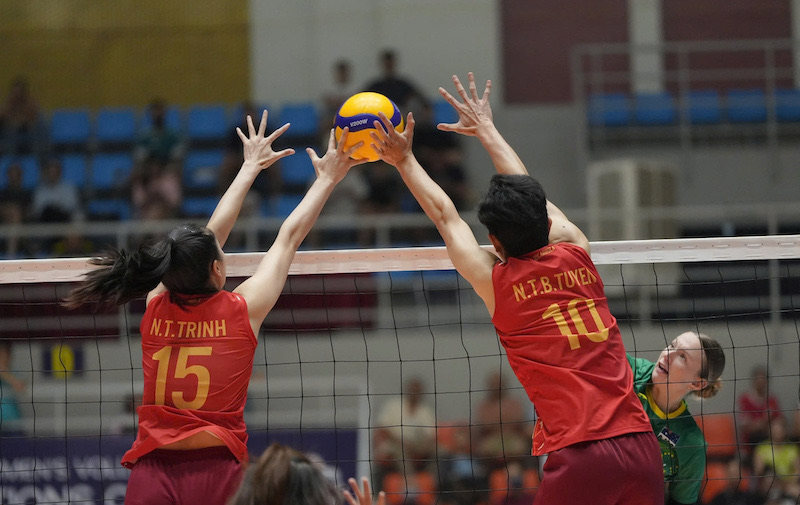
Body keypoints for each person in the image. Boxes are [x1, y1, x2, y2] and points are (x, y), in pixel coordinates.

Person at [369, 72, 663, 504]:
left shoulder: (496, 282)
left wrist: (403, 160)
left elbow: (446, 216)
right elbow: (531, 195)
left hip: (581, 454)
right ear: (547, 224)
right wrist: (488, 130)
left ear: (495, 243)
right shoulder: (577, 250)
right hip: (641, 445)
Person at [64, 111, 366, 505]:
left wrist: (248, 167)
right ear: (218, 269)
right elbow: (287, 238)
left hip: (153, 471)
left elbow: (208, 239)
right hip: (219, 472)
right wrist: (326, 178)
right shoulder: (244, 308)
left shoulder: (155, 305)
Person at [628, 331, 726, 504]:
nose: (667, 354)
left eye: (682, 356)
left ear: (697, 383)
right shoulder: (628, 371)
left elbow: (680, 501)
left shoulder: (691, 443)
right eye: (672, 345)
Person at [373, 377, 437, 478]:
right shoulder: (393, 406)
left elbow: (431, 435)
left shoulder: (426, 411)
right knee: (400, 450)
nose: (415, 393)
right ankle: (409, 480)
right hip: (394, 445)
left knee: (440, 451)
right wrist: (402, 442)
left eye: (418, 390)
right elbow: (382, 429)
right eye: (413, 390)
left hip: (417, 446)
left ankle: (432, 482)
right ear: (407, 390)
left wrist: (417, 445)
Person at [473, 372, 530, 468]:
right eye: (494, 383)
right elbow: (485, 424)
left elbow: (518, 420)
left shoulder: (514, 403)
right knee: (485, 448)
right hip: (492, 439)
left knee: (520, 447)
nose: (496, 386)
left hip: (513, 438)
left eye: (499, 383)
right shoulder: (484, 406)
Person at [364, 49, 429, 112]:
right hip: (381, 113)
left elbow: (422, 98)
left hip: (400, 113)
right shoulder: (375, 86)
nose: (389, 66)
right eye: (387, 65)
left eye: (390, 64)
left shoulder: (403, 84)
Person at [738, 364, 783, 451]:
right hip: (752, 441)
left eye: (764, 380)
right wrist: (765, 420)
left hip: (770, 440)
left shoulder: (772, 400)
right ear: (754, 381)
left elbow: (779, 421)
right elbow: (746, 427)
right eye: (758, 380)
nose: (761, 383)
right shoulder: (745, 400)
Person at [0, 76, 45, 156]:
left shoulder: (30, 104)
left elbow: (31, 119)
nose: (16, 95)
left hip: (28, 132)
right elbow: (3, 116)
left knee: (41, 125)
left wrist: (20, 121)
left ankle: (39, 159)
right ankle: (10, 159)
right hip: (10, 134)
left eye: (19, 93)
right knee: (11, 131)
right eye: (14, 93)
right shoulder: (8, 104)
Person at [31, 157, 83, 223]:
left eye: (55, 171)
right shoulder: (40, 191)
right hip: (46, 221)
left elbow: (71, 207)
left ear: (60, 172)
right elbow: (37, 210)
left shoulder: (69, 188)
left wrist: (57, 207)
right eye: (50, 171)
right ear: (46, 172)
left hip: (64, 221)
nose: (52, 174)